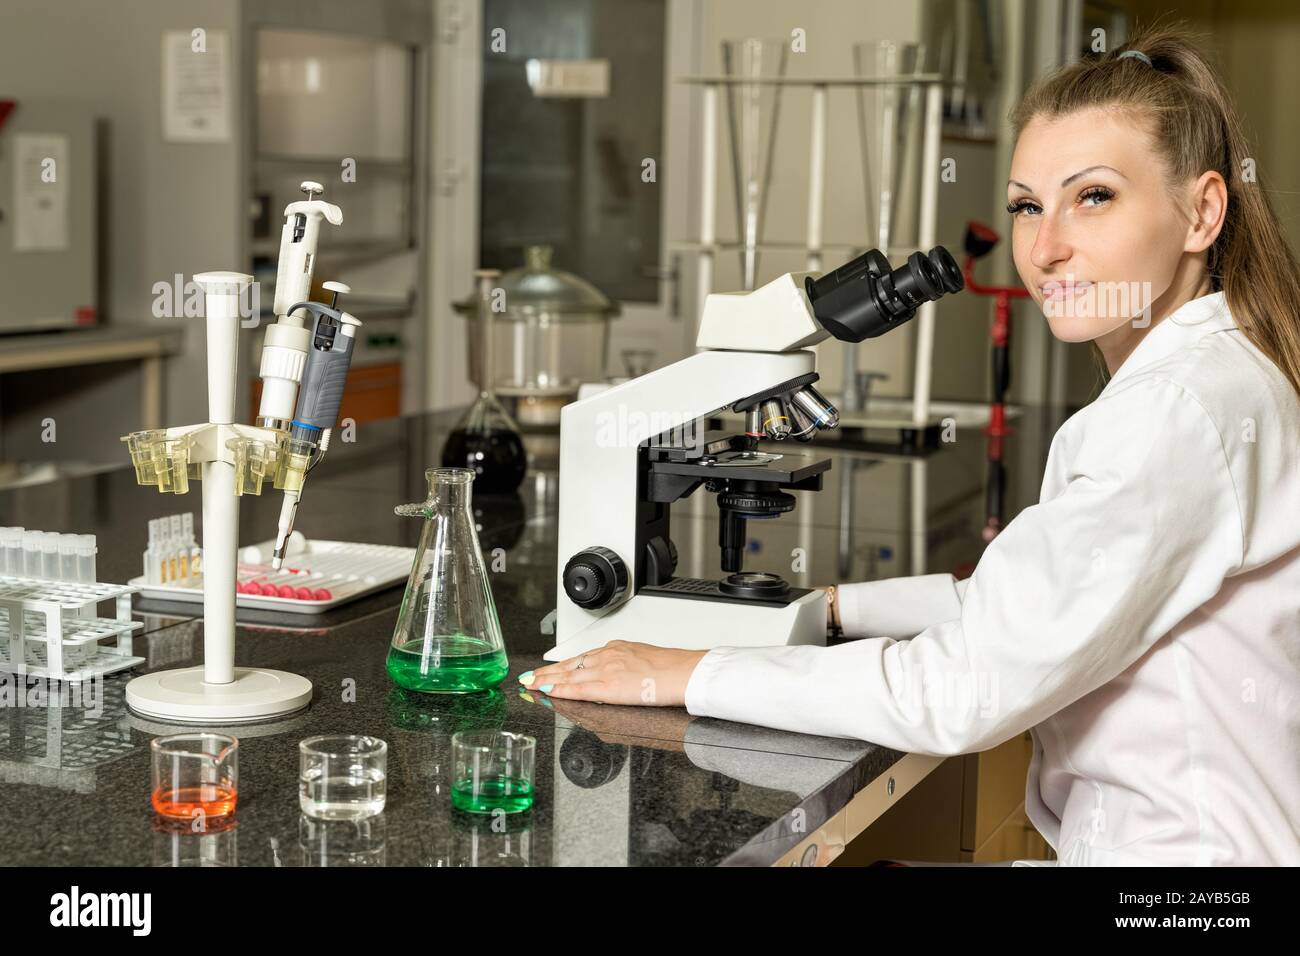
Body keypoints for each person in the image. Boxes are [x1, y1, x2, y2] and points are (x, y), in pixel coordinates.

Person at [520, 24, 1300, 865]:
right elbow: (1021, 602)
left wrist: (683, 674)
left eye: (1095, 196)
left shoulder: (1176, 411)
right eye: (1029, 205)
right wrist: (837, 609)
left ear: (1203, 211)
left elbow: (964, 688)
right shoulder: (1213, 374)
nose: (1046, 247)